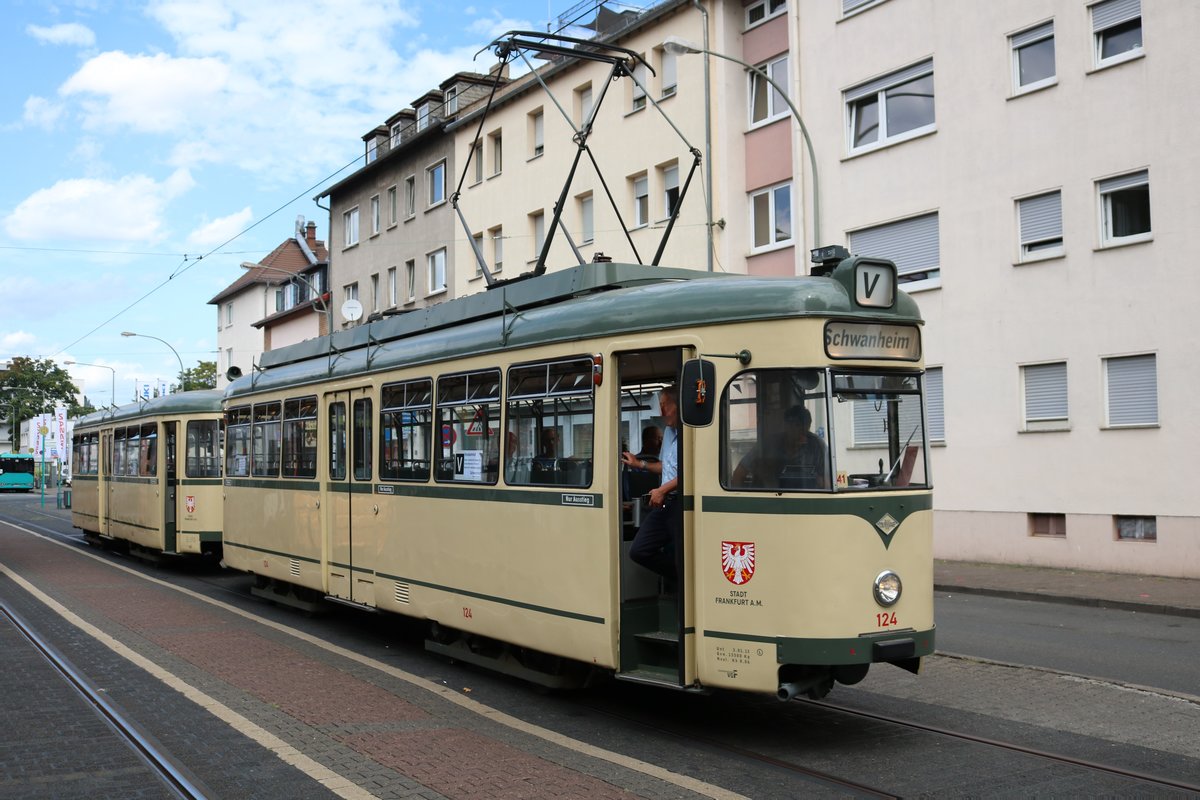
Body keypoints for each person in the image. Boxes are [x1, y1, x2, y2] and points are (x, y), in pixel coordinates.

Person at [620, 386, 679, 590]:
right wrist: (640, 464)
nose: (661, 412)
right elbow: (665, 466)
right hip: (665, 504)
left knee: (684, 554)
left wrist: (663, 490)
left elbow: (693, 471)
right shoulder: (670, 432)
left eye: (665, 406)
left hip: (682, 503)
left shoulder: (695, 431)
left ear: (678, 404)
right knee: (639, 550)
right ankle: (682, 579)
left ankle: (687, 591)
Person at [732, 405, 828, 489]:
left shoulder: (817, 446)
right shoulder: (768, 444)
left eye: (805, 429)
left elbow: (828, 482)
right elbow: (738, 474)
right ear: (786, 425)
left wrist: (819, 481)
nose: (802, 434)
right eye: (797, 426)